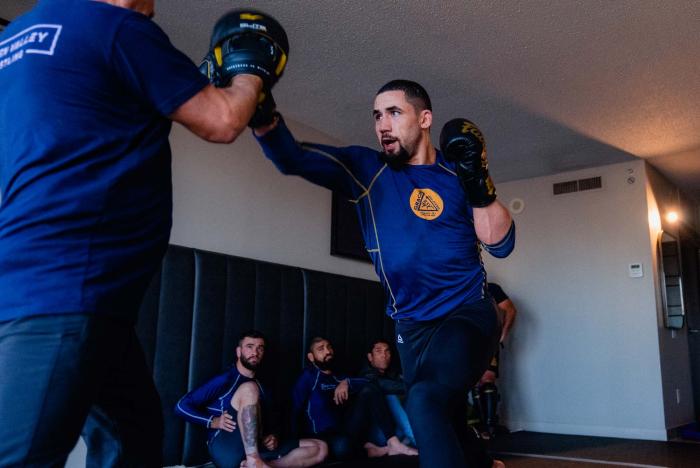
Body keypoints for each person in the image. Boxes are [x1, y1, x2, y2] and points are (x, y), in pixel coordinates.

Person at [0, 2, 288, 466]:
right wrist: (251, 72)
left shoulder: (18, 37)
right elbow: (223, 119)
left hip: (70, 294)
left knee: (133, 437)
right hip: (66, 287)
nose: (153, 6)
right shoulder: (115, 28)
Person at [253, 80, 514, 467]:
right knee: (445, 415)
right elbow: (293, 158)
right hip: (411, 326)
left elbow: (500, 244)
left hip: (467, 311)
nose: (382, 125)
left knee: (424, 399)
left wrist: (478, 178)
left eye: (394, 112)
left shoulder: (456, 173)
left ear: (424, 119)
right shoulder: (367, 170)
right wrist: (260, 110)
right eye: (377, 115)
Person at [175, 330, 327, 468]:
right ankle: (254, 462)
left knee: (320, 448)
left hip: (256, 445)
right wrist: (212, 421)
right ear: (238, 351)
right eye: (250, 346)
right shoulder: (226, 379)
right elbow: (181, 406)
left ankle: (264, 465)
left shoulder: (263, 387)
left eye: (260, 348)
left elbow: (268, 422)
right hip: (227, 448)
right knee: (249, 388)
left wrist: (273, 436)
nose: (255, 352)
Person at [291, 337, 418, 461]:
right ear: (311, 357)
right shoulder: (308, 377)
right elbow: (294, 409)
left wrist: (347, 382)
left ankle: (393, 443)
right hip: (321, 436)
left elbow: (369, 381)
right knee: (343, 447)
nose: (327, 351)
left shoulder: (338, 377)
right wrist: (295, 441)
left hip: (346, 430)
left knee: (370, 390)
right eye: (321, 349)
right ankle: (378, 450)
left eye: (329, 347)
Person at [472, 282, 518, 439]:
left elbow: (510, 309)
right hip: (466, 344)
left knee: (487, 379)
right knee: (473, 382)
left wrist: (502, 335)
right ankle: (482, 427)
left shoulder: (490, 288)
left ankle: (491, 426)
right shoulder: (459, 289)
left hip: (487, 342)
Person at [361, 339, 416, 447]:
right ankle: (418, 441)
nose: (384, 355)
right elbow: (385, 385)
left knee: (413, 396)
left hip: (396, 432)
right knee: (390, 395)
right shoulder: (366, 376)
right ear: (370, 357)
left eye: (387, 351)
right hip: (379, 436)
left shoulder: (393, 374)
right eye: (379, 351)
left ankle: (413, 439)